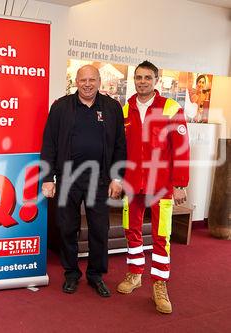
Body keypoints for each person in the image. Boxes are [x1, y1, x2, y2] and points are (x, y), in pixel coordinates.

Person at [41, 65, 126, 298]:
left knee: (99, 229)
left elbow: (120, 146)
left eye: (92, 80)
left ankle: (96, 275)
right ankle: (71, 273)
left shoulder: (111, 108)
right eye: (83, 80)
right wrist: (47, 178)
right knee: (67, 228)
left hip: (99, 180)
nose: (87, 84)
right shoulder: (60, 107)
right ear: (75, 82)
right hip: (68, 177)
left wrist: (117, 178)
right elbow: (48, 144)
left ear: (99, 81)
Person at [116, 60, 190, 314]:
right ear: (134, 80)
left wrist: (180, 184)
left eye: (148, 77)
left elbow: (181, 149)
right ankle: (135, 273)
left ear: (156, 80)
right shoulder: (125, 110)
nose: (143, 81)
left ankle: (159, 284)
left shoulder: (171, 108)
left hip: (161, 184)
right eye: (139, 77)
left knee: (161, 236)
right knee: (131, 229)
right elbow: (120, 149)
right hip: (131, 182)